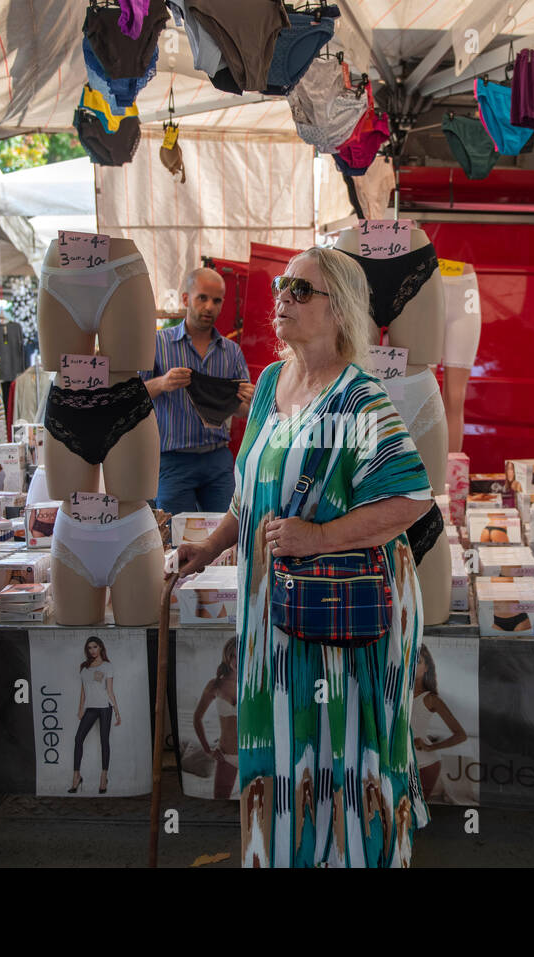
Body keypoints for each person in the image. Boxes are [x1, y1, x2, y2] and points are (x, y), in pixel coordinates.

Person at [176, 247, 433, 868]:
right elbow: (250, 491)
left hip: (343, 613)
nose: (281, 299)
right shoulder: (270, 382)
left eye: (299, 290)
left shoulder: (360, 399)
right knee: (282, 744)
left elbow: (412, 499)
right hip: (274, 611)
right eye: (282, 287)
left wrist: (318, 537)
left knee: (341, 749)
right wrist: (211, 545)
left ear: (339, 310)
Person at [143, 267, 254, 515]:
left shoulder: (231, 351)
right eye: (202, 298)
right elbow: (131, 397)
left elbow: (245, 412)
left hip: (218, 460)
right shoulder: (159, 344)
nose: (209, 307)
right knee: (175, 537)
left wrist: (249, 400)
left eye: (216, 301)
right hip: (173, 461)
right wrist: (162, 383)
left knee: (225, 536)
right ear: (186, 299)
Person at [412, 645, 468, 800]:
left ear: (426, 667)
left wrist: (431, 747)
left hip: (424, 764)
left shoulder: (430, 699)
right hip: (400, 762)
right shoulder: (398, 695)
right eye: (409, 659)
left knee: (415, 813)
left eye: (417, 661)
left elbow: (460, 735)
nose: (412, 664)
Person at [69, 637, 119, 795]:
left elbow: (110, 690)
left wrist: (117, 711)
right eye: (89, 648)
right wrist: (80, 708)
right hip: (90, 708)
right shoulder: (84, 667)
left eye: (95, 647)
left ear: (100, 648)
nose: (92, 650)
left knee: (104, 741)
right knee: (78, 739)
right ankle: (76, 776)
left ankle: (104, 776)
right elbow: (83, 690)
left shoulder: (107, 666)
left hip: (105, 707)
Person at [192, 638, 238, 800]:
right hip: (226, 756)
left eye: (240, 655)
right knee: (220, 801)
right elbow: (197, 718)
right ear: (227, 657)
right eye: (233, 656)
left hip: (252, 754)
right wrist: (207, 750)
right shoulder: (215, 685)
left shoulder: (256, 682)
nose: (236, 660)